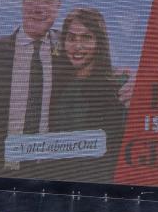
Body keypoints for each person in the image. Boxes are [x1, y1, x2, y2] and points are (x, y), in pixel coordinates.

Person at [0, 0, 64, 137]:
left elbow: (100, 72)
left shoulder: (68, 47)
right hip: (0, 159)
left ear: (59, 5)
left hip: (49, 160)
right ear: (22, 1)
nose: (39, 6)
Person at [50, 8, 126, 150]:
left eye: (86, 38)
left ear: (99, 42)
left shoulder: (118, 86)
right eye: (71, 38)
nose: (77, 47)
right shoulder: (54, 84)